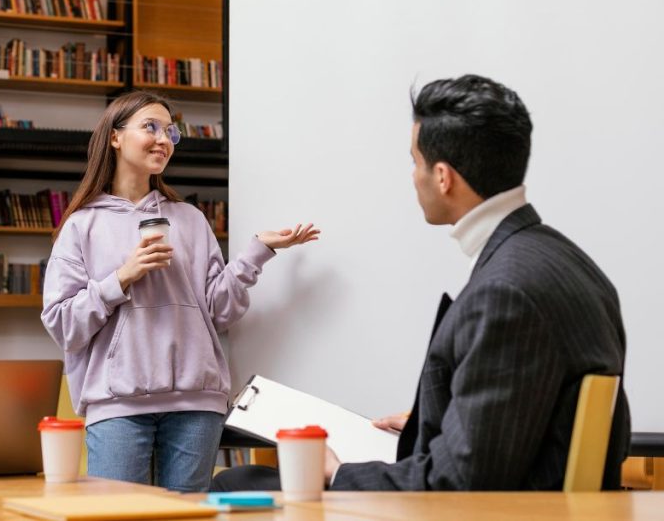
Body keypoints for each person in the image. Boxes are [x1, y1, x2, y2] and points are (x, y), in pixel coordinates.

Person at [213, 74, 630, 491]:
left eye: (415, 161)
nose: (413, 175)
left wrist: (338, 473)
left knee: (239, 482)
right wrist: (442, 422)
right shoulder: (570, 263)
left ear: (443, 177)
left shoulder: (507, 293)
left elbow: (458, 485)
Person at [41, 91, 319, 492]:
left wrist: (259, 250)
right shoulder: (81, 226)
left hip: (196, 404)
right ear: (115, 138)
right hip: (117, 405)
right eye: (150, 127)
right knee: (116, 520)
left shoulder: (189, 219)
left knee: (188, 519)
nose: (164, 139)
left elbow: (219, 311)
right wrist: (121, 278)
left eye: (170, 131)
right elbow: (63, 325)